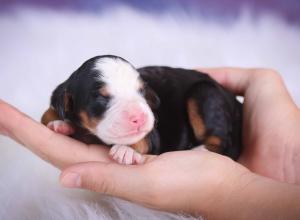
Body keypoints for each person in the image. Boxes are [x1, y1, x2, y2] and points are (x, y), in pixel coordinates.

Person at [0, 68, 299, 219]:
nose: (136, 115)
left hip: (207, 108)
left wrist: (133, 146)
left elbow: (147, 138)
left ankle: (216, 145)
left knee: (204, 96)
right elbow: (50, 114)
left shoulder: (148, 111)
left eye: (139, 95)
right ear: (68, 104)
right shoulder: (64, 103)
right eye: (104, 99)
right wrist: (56, 122)